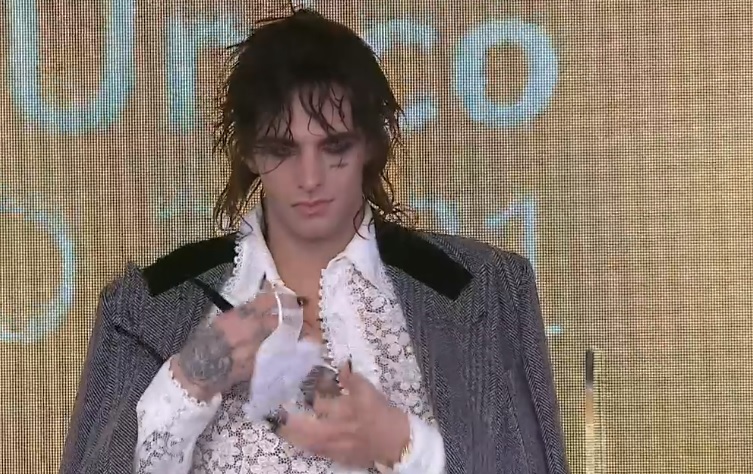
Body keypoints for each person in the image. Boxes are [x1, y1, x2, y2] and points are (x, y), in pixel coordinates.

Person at [61, 7, 568, 474]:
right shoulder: (148, 303)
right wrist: (188, 384)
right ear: (249, 151)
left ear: (370, 143)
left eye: (334, 147)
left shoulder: (483, 288)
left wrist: (405, 445)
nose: (310, 178)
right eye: (282, 149)